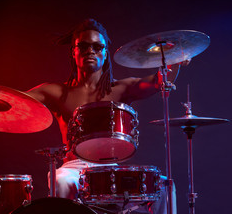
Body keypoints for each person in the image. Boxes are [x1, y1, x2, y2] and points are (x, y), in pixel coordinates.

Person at [25, 19, 187, 214]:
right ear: (73, 52)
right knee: (61, 181)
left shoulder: (120, 88)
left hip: (110, 168)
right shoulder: (56, 92)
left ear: (104, 53)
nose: (90, 51)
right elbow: (15, 100)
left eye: (97, 46)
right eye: (83, 46)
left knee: (165, 186)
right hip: (73, 168)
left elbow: (159, 81)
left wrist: (174, 61)